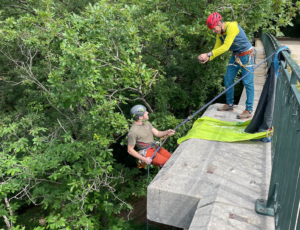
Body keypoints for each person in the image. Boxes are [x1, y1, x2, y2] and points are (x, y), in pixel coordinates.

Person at [198, 12, 255, 119]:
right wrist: (208, 57)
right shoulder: (219, 34)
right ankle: (229, 105)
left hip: (247, 55)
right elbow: (216, 49)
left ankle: (249, 110)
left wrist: (208, 54)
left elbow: (225, 47)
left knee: (247, 82)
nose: (214, 31)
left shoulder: (232, 27)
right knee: (228, 79)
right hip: (236, 56)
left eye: (214, 29)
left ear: (220, 23)